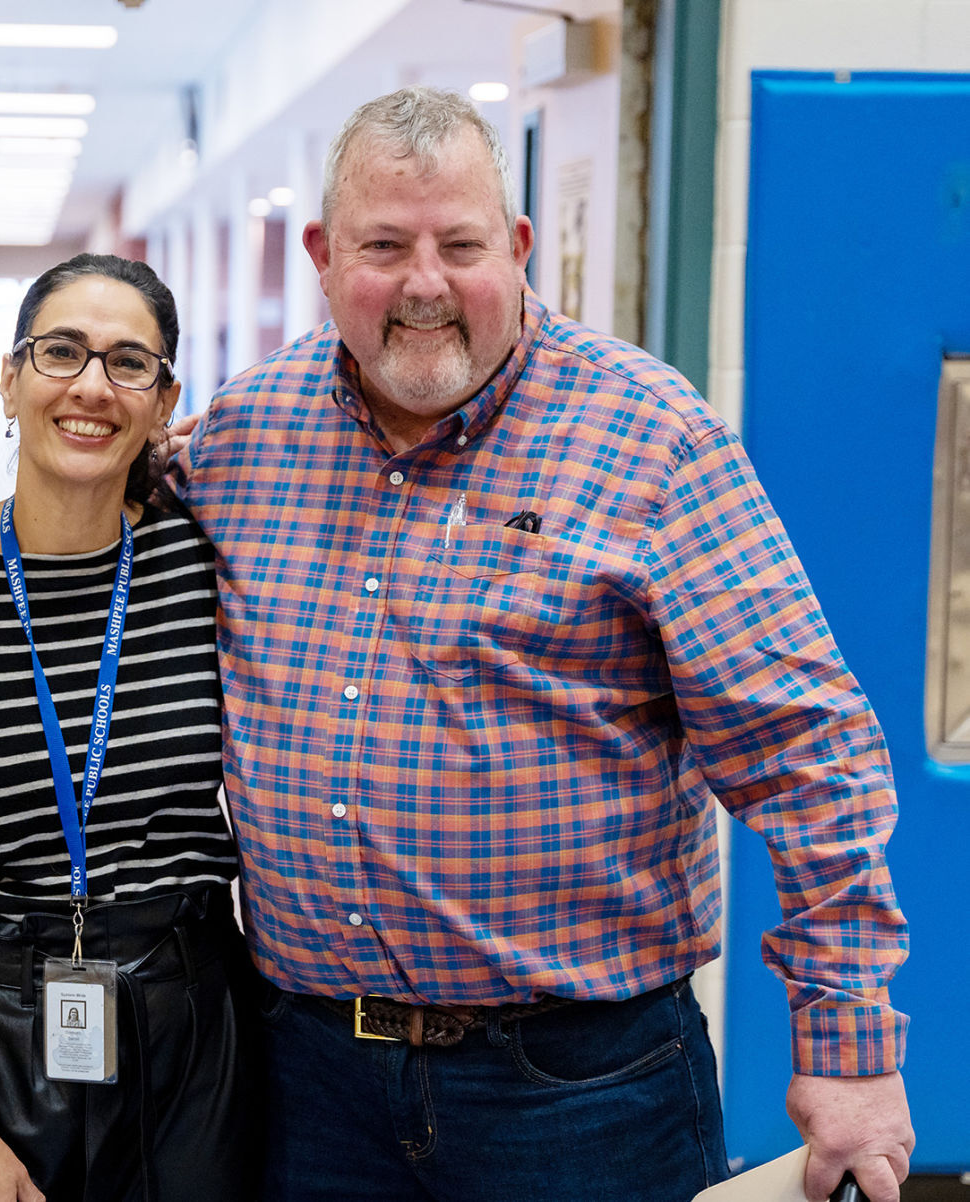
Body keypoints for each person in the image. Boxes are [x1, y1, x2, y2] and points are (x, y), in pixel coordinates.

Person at [169, 86, 913, 1202]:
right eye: (383, 244)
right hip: (306, 1078)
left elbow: (809, 750)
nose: (424, 282)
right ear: (323, 257)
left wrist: (849, 1051)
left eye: (458, 244)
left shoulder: (650, 438)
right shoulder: (243, 436)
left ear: (515, 248)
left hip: (578, 1093)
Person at [0, 253, 257, 1202]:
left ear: (164, 399)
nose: (91, 387)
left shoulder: (199, 572)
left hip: (194, 1039)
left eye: (128, 363)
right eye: (61, 352)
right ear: (10, 378)